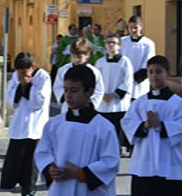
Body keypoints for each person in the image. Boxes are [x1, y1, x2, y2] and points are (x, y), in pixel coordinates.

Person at [35, 65, 120, 196]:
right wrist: (49, 169)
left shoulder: (104, 127)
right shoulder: (54, 124)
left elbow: (110, 163)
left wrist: (80, 173)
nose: (68, 96)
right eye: (66, 90)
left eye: (74, 90)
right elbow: (43, 152)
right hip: (60, 189)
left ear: (89, 92)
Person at [121, 55, 182, 196]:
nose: (154, 75)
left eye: (158, 71)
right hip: (144, 164)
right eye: (151, 72)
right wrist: (145, 125)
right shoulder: (139, 103)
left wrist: (160, 125)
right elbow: (127, 123)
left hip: (171, 165)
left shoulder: (180, 104)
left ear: (168, 74)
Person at [0, 52, 51, 196]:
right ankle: (12, 182)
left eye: (24, 71)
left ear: (32, 66)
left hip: (36, 124)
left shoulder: (43, 77)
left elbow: (39, 102)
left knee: (31, 160)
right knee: (16, 158)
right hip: (19, 123)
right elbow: (11, 100)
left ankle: (29, 187)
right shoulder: (17, 76)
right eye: (18, 71)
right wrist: (20, 86)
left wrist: (28, 85)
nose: (21, 74)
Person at [95, 34, 133, 155]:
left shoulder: (125, 61)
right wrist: (102, 95)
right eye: (108, 42)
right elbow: (96, 80)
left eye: (114, 43)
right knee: (104, 127)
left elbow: (127, 80)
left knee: (118, 126)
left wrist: (115, 94)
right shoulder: (100, 62)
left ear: (119, 46)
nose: (111, 45)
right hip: (103, 101)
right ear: (105, 45)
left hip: (118, 102)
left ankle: (118, 148)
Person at [53, 37, 104, 113]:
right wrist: (65, 97)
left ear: (87, 55)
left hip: (86, 108)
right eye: (73, 56)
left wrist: (92, 104)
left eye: (80, 57)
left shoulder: (94, 71)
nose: (76, 60)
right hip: (68, 107)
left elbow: (99, 90)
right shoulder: (63, 70)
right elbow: (58, 87)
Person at [120, 16, 156, 100]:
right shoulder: (122, 41)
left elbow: (147, 64)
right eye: (130, 27)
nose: (133, 30)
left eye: (135, 27)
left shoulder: (148, 43)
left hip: (139, 85)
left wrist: (133, 78)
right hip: (123, 83)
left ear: (141, 27)